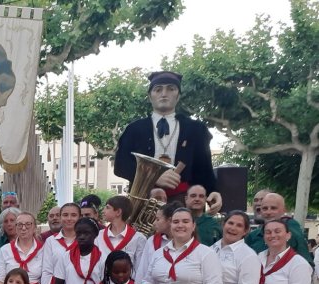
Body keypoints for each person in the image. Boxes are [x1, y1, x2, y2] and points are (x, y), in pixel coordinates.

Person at [114, 71, 222, 212]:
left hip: (183, 202)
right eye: (158, 89)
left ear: (178, 96)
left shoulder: (196, 129)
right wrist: (153, 177)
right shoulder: (134, 129)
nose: (164, 94)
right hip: (142, 199)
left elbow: (204, 167)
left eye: (171, 89)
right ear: (150, 96)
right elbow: (121, 165)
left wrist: (213, 190)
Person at [245, 193, 313, 265]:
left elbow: (307, 263)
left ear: (283, 210)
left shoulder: (293, 232)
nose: (268, 212)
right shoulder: (252, 236)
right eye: (265, 208)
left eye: (273, 208)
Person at [96, 196, 147, 273]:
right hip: (101, 280)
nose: (103, 211)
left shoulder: (138, 238)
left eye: (107, 207)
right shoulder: (99, 235)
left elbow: (140, 268)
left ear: (118, 212)